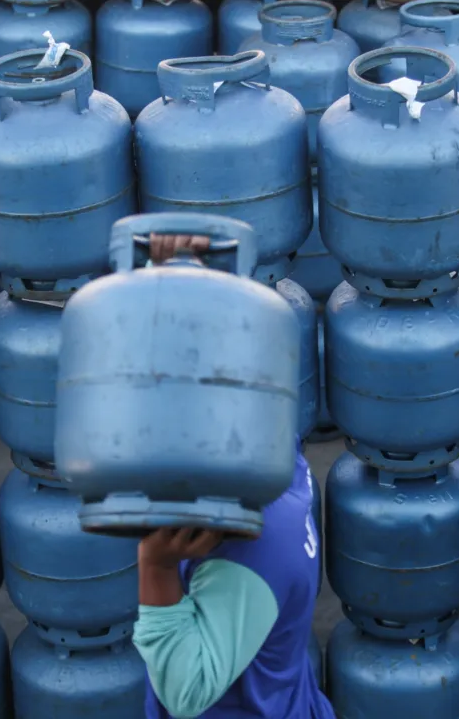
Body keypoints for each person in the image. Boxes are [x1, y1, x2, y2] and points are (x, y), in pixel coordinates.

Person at [131, 233, 334, 719]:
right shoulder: (271, 452)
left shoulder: (248, 550)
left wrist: (154, 567)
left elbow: (186, 692)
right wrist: (179, 286)